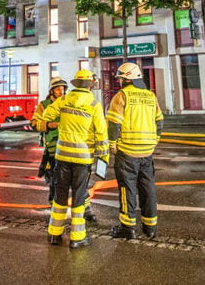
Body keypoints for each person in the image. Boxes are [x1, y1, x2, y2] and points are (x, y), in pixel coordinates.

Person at [41, 69, 109, 249]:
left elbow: (47, 115)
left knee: (60, 195)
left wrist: (62, 121)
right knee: (79, 196)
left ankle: (55, 234)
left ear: (75, 84)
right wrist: (103, 156)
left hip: (62, 155)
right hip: (82, 157)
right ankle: (77, 237)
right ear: (90, 85)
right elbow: (102, 134)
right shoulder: (94, 104)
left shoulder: (64, 99)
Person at [106, 62, 164, 241]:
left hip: (127, 152)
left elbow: (114, 124)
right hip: (147, 152)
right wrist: (153, 141)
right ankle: (150, 227)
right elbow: (159, 122)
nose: (119, 82)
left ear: (126, 78)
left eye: (121, 78)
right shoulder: (150, 96)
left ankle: (128, 228)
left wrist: (112, 145)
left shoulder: (121, 96)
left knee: (127, 189)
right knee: (148, 188)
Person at [30, 76, 69, 204]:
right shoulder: (44, 105)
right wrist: (48, 125)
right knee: (54, 177)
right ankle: (53, 201)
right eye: (57, 89)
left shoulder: (67, 103)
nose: (61, 92)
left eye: (62, 89)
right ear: (51, 91)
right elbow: (34, 123)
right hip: (52, 148)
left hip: (67, 145)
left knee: (65, 177)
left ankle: (60, 200)